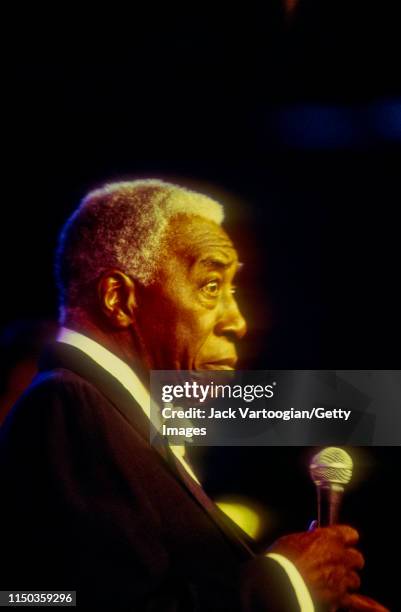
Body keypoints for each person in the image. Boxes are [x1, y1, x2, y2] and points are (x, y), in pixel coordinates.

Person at [0, 180, 387, 611]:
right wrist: (285, 584)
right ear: (118, 298)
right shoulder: (68, 405)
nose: (237, 321)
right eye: (209, 285)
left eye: (232, 289)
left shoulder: (115, 419)